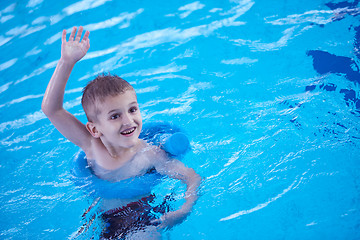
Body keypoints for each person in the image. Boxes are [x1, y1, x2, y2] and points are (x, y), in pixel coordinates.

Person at [42, 26, 201, 238]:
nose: (129, 121)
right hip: (103, 219)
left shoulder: (149, 154)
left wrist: (183, 210)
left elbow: (192, 178)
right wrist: (66, 62)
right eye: (115, 116)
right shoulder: (91, 146)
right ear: (95, 129)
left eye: (132, 109)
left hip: (142, 216)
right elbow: (51, 110)